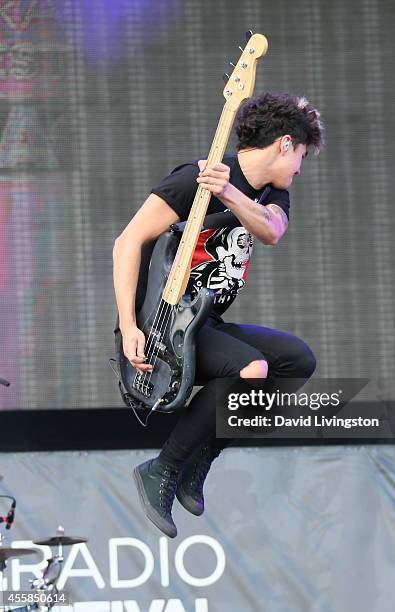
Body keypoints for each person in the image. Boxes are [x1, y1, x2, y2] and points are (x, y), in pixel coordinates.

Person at [112, 92, 324, 537]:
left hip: (202, 322)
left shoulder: (270, 192)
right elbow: (128, 242)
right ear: (285, 144)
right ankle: (162, 469)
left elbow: (270, 231)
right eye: (302, 155)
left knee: (296, 362)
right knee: (251, 368)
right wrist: (129, 326)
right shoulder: (193, 179)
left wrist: (227, 192)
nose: (301, 167)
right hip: (164, 324)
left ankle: (200, 459)